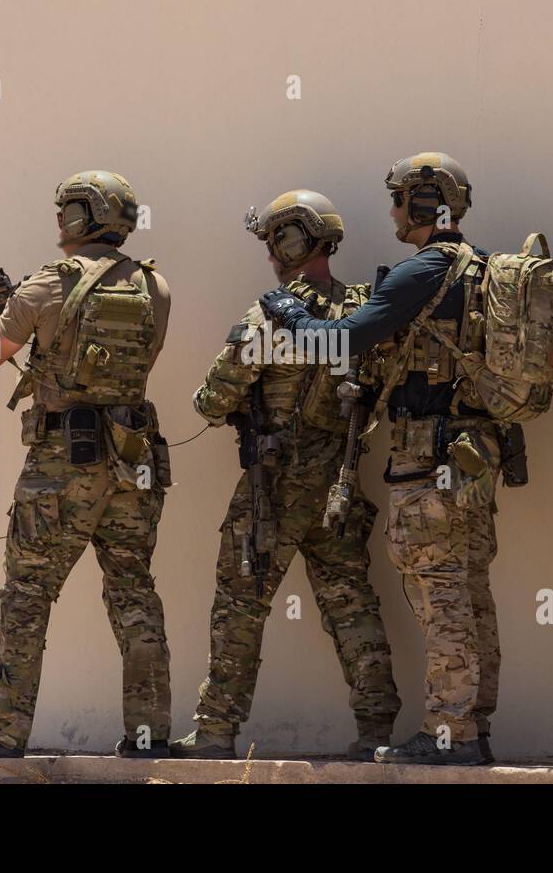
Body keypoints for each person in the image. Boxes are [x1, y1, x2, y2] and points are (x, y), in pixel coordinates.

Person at [0, 171, 174, 759]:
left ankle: (4, 733)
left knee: (26, 594)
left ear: (84, 217)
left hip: (62, 465)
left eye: (65, 211)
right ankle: (149, 736)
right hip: (134, 462)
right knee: (134, 592)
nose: (58, 222)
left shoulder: (46, 285)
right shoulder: (156, 287)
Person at [260, 155, 504, 766]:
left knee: (438, 591)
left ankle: (450, 733)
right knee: (470, 590)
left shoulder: (423, 270)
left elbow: (339, 342)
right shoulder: (481, 269)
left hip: (429, 455)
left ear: (424, 204)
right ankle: (473, 727)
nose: (393, 211)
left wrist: (292, 314)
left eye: (399, 199)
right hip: (474, 454)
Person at [171, 190, 401, 761]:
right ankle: (377, 732)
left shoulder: (272, 312)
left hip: (273, 487)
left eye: (273, 239)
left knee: (240, 604)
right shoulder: (365, 310)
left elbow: (211, 398)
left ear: (288, 241)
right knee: (352, 602)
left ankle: (217, 731)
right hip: (340, 482)